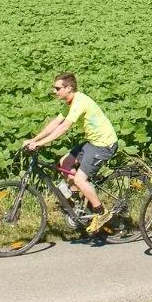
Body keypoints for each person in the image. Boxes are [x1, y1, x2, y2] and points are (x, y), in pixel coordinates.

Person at [22, 72, 118, 237]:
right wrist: (34, 139)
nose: (55, 91)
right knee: (64, 163)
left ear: (69, 88)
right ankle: (78, 203)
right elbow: (56, 122)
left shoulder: (80, 102)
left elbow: (64, 127)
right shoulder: (69, 101)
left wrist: (40, 144)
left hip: (104, 144)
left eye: (58, 88)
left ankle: (102, 212)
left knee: (80, 179)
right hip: (92, 142)